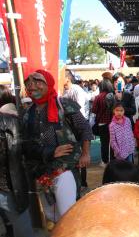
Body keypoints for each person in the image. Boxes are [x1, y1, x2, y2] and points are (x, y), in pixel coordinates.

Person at [22, 70, 93, 222]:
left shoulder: (63, 105)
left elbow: (84, 128)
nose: (32, 86)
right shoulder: (28, 113)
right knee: (51, 215)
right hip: (41, 170)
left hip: (64, 168)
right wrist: (50, 152)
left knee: (67, 214)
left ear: (49, 83)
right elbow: (27, 145)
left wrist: (85, 153)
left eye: (38, 82)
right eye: (29, 83)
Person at [0, 85, 37, 237]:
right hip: (8, 184)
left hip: (10, 185)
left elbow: (28, 149)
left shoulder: (12, 122)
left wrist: (50, 154)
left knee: (23, 229)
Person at [63, 69, 91, 189]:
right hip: (69, 130)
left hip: (78, 126)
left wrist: (85, 153)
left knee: (80, 159)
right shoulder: (62, 91)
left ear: (67, 78)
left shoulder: (77, 90)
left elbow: (78, 113)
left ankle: (82, 182)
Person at [92, 79, 114, 165]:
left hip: (102, 123)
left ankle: (104, 161)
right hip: (113, 122)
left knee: (104, 143)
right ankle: (112, 160)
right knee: (113, 142)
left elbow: (94, 110)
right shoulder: (113, 96)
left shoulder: (98, 97)